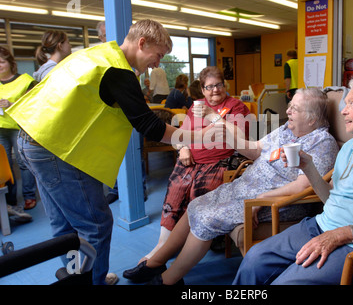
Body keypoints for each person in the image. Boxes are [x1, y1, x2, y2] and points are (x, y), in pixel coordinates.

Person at [7, 19, 205, 285]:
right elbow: (149, 126)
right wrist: (196, 137)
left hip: (31, 138)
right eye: (158, 55)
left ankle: (80, 276)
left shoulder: (96, 54)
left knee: (64, 225)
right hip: (54, 150)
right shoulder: (118, 71)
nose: (158, 64)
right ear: (142, 43)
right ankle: (93, 280)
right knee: (96, 225)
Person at [123, 87, 339, 285]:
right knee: (196, 204)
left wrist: (262, 200)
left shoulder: (322, 143)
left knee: (208, 217)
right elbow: (256, 150)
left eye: (295, 108)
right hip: (247, 187)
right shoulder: (287, 130)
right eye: (290, 105)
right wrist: (231, 140)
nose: (288, 110)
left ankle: (168, 280)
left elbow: (302, 187)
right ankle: (157, 261)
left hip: (278, 202)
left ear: (311, 119)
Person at [233, 73, 353, 285]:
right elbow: (330, 197)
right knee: (255, 258)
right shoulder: (351, 146)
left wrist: (339, 235)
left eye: (352, 103)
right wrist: (308, 167)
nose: (343, 110)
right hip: (324, 226)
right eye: (345, 102)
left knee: (287, 283)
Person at [136, 66, 250, 262]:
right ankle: (163, 244)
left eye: (219, 85)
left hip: (219, 161)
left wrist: (211, 115)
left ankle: (192, 241)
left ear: (225, 85)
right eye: (210, 86)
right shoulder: (195, 106)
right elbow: (180, 134)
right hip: (191, 160)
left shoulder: (236, 107)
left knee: (198, 194)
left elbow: (240, 137)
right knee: (176, 188)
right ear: (203, 89)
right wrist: (183, 148)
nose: (215, 90)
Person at [0, 46, 36, 217]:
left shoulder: (25, 80)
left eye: (1, 62)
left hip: (19, 127)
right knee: (4, 166)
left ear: (10, 63)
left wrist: (11, 105)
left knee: (23, 163)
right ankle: (10, 201)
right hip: (1, 129)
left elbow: (33, 105)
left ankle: (29, 196)